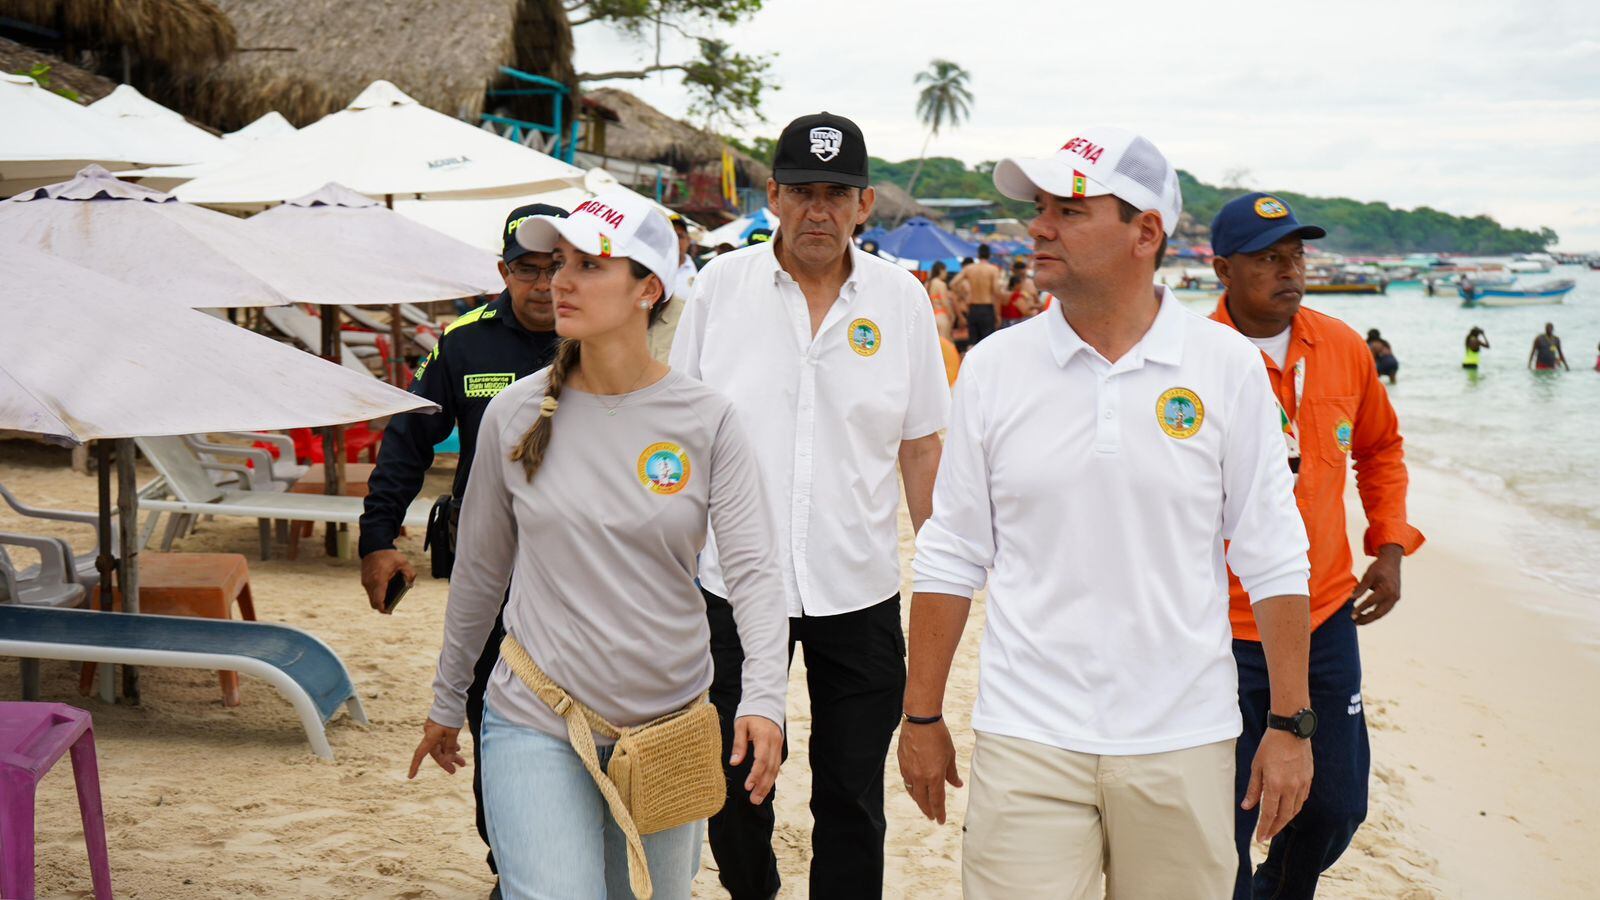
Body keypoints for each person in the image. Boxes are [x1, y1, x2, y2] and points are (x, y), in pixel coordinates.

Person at [900, 126, 1314, 899]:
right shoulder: (995, 368)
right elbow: (953, 551)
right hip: (1027, 732)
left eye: (1069, 208)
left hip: (1184, 735)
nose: (1040, 226)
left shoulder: (1224, 367)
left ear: (1145, 232)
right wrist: (921, 716)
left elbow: (1272, 552)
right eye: (1041, 208)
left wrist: (1290, 726)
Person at [409, 189, 788, 899]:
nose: (561, 281)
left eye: (589, 265)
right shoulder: (513, 415)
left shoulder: (707, 421)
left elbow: (755, 572)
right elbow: (481, 574)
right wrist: (444, 700)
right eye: (559, 263)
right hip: (537, 718)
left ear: (649, 287)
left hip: (669, 729)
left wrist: (763, 697)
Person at [671, 111, 950, 900]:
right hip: (727, 583)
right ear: (773, 198)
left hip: (857, 586)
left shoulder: (900, 300)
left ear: (864, 205)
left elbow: (922, 444)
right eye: (802, 192)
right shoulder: (720, 289)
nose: (818, 210)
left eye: (837, 193)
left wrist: (940, 566)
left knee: (852, 797)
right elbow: (680, 431)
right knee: (731, 786)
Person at [1209, 192, 1426, 899]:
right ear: (1222, 270)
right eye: (1268, 258)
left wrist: (1388, 545)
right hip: (1218, 627)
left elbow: (1381, 449)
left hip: (1323, 613)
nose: (1289, 271)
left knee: (1336, 805)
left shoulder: (1341, 347)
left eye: (1296, 255)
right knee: (1228, 821)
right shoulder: (1192, 362)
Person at [360, 202, 567, 890]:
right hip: (491, 572)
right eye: (527, 269)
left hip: (583, 576)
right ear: (502, 271)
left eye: (558, 266)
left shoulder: (604, 333)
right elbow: (408, 437)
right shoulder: (465, 342)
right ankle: (510, 867)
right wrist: (376, 536)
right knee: (494, 721)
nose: (543, 284)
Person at [646, 214, 696, 364]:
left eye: (680, 236)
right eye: (671, 235)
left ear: (688, 240)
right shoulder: (649, 270)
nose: (675, 241)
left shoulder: (702, 273)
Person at [951, 243, 1003, 347]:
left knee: (972, 343)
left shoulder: (969, 268)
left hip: (973, 308)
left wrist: (961, 294)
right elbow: (996, 292)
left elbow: (953, 283)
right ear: (989, 255)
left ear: (978, 255)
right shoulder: (993, 269)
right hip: (987, 309)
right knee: (988, 343)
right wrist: (997, 314)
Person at [927, 260, 955, 341]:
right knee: (945, 345)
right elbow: (945, 303)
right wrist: (951, 315)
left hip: (932, 317)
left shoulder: (928, 284)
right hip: (942, 316)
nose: (946, 273)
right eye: (945, 271)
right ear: (941, 270)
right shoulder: (941, 284)